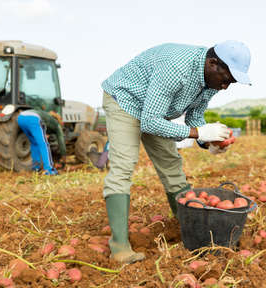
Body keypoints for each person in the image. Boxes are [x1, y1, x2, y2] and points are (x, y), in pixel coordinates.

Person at [101, 41, 251, 264]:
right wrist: (198, 132)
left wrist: (209, 142)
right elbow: (151, 122)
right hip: (125, 101)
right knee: (123, 167)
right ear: (212, 64)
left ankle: (190, 228)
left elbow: (195, 118)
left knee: (172, 166)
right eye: (226, 79)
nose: (225, 87)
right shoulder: (176, 69)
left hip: (155, 112)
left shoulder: (210, 81)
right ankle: (120, 246)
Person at [17, 109, 67, 175]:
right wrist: (64, 159)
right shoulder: (57, 124)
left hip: (20, 118)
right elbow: (61, 142)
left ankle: (36, 168)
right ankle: (49, 170)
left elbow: (45, 131)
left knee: (34, 143)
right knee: (44, 144)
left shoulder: (45, 116)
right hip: (33, 119)